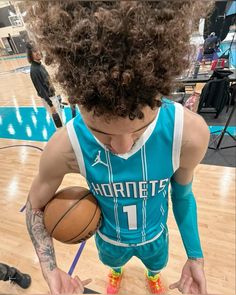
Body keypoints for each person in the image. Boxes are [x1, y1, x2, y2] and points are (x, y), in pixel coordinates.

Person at [25, 1, 212, 294]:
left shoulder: (188, 134)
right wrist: (49, 269)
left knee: (156, 266)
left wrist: (195, 255)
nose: (122, 147)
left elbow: (183, 196)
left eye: (139, 129)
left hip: (155, 237)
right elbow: (35, 206)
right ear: (77, 101)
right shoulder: (64, 147)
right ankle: (115, 271)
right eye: (101, 132)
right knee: (112, 263)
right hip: (109, 239)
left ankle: (152, 275)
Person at [26, 42, 63, 128]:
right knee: (59, 125)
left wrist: (56, 95)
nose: (38, 52)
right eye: (35, 52)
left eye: (38, 50)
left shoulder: (40, 65)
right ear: (30, 55)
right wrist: (51, 105)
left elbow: (47, 82)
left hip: (53, 97)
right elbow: (41, 90)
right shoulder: (34, 70)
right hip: (49, 100)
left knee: (61, 121)